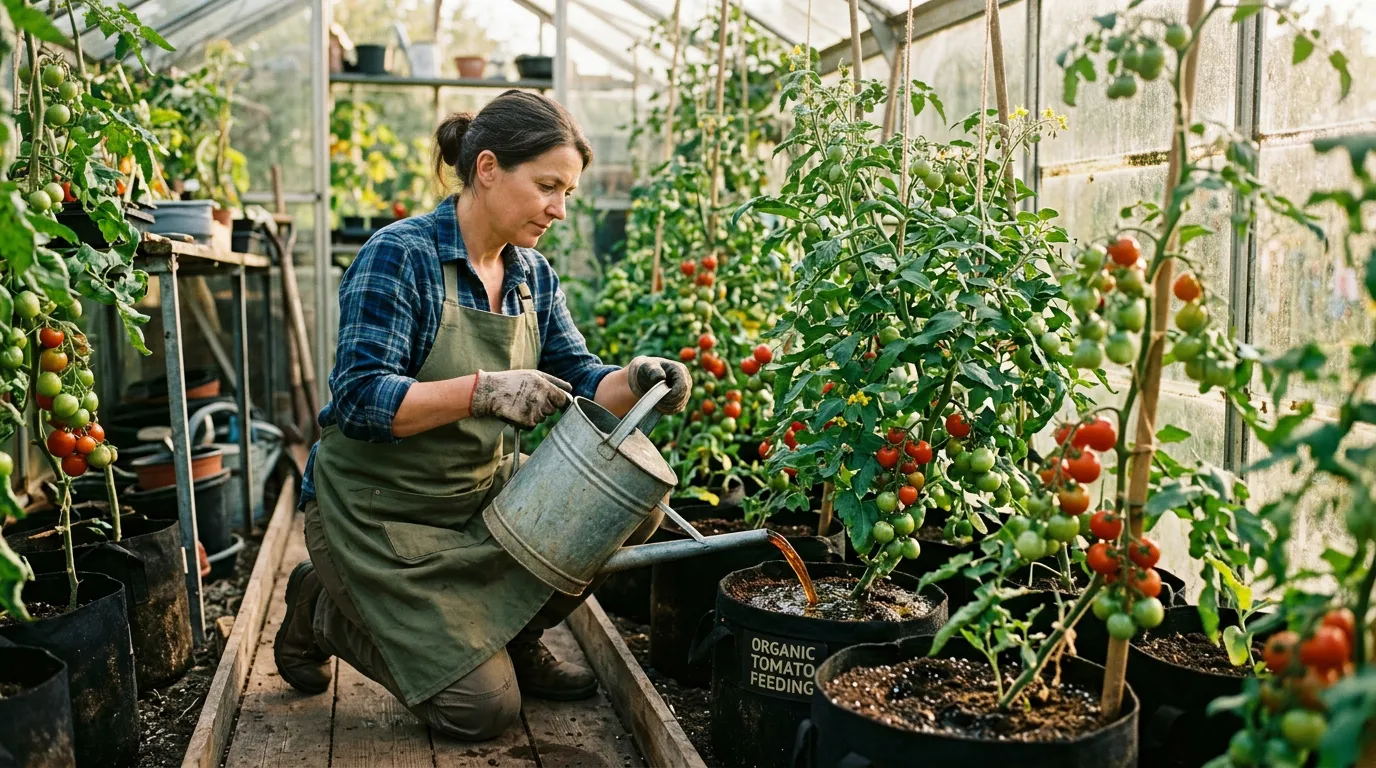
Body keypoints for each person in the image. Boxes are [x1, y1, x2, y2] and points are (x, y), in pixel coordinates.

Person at [272, 90, 690, 740]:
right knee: (483, 711)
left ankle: (515, 634)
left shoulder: (532, 276)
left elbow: (582, 379)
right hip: (382, 515)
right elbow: (357, 399)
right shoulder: (401, 257)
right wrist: (482, 391)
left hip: (478, 499)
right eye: (547, 186)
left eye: (568, 193)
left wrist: (637, 380)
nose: (558, 208)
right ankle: (319, 607)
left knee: (627, 503)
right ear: (488, 168)